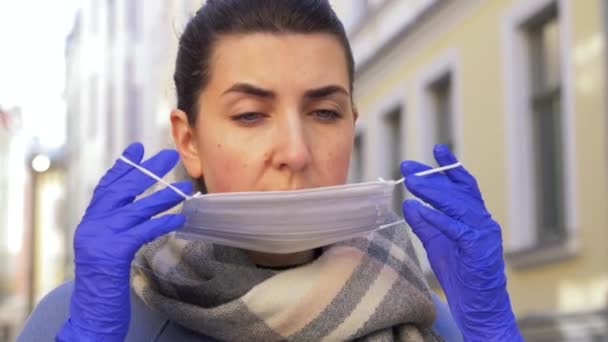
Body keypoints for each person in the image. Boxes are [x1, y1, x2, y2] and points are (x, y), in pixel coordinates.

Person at [18, 0, 522, 341]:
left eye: (324, 112)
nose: (296, 153)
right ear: (188, 141)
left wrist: (494, 332)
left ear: (352, 123)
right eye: (250, 115)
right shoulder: (77, 318)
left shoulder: (434, 320)